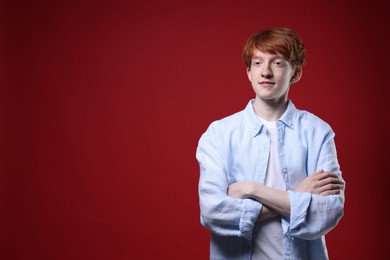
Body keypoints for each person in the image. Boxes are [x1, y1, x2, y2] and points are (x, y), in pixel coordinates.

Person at [196, 28, 345, 260]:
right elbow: (213, 213)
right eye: (257, 63)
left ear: (295, 74)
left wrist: (251, 190)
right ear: (248, 72)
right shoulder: (219, 134)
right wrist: (296, 197)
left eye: (277, 63)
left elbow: (328, 212)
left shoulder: (318, 132)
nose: (265, 72)